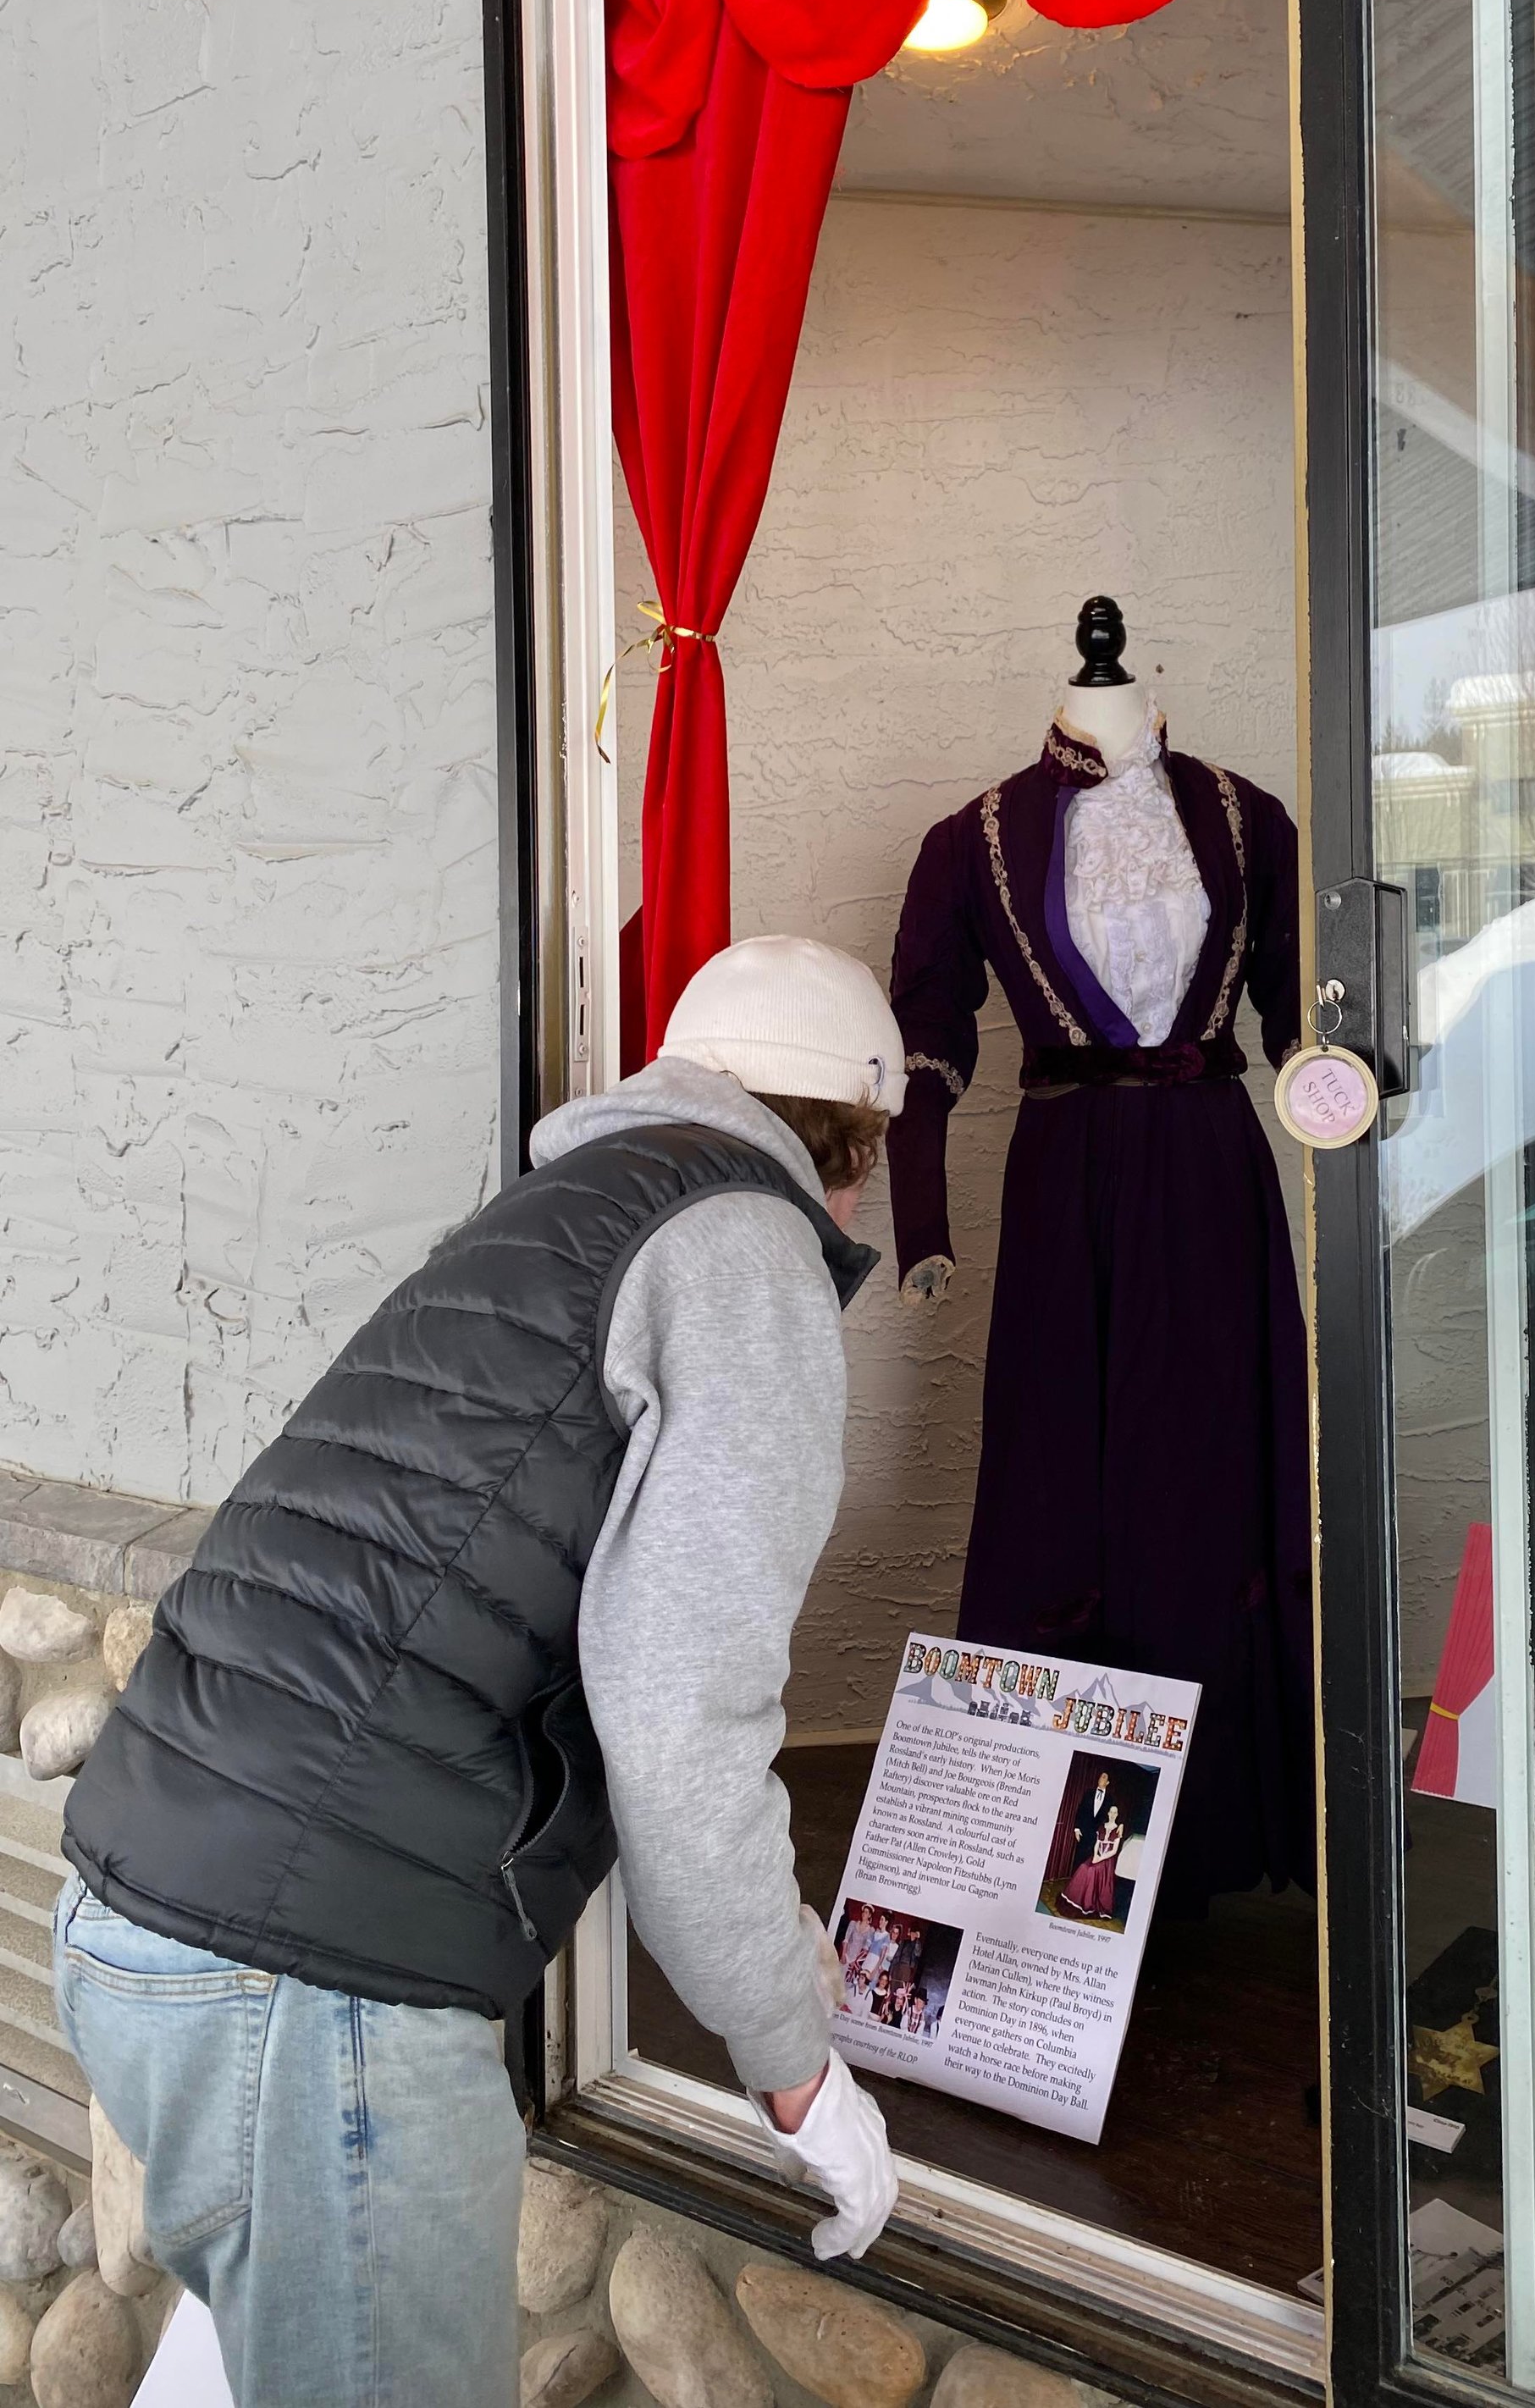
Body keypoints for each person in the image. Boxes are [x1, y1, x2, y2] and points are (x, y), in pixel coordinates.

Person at [51, 936, 908, 2407]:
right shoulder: (747, 1249)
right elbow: (677, 1713)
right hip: (317, 1987)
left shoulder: (547, 1213)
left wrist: (765, 1937)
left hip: (141, 1908)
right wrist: (796, 2064)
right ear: (858, 1143)